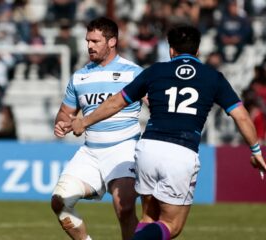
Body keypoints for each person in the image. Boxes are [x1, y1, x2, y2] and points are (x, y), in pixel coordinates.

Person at [70, 25, 266, 239]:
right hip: (181, 151)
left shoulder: (155, 71)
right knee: (172, 226)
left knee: (148, 219)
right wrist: (256, 151)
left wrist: (85, 121)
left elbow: (116, 102)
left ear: (171, 50)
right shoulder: (212, 77)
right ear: (198, 51)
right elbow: (242, 116)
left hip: (148, 149)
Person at [51, 17, 143, 240]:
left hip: (124, 149)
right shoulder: (80, 76)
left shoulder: (134, 73)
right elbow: (65, 112)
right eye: (87, 41)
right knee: (59, 201)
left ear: (112, 42)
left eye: (95, 41)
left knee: (125, 208)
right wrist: (62, 123)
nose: (89, 46)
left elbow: (158, 105)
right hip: (91, 152)